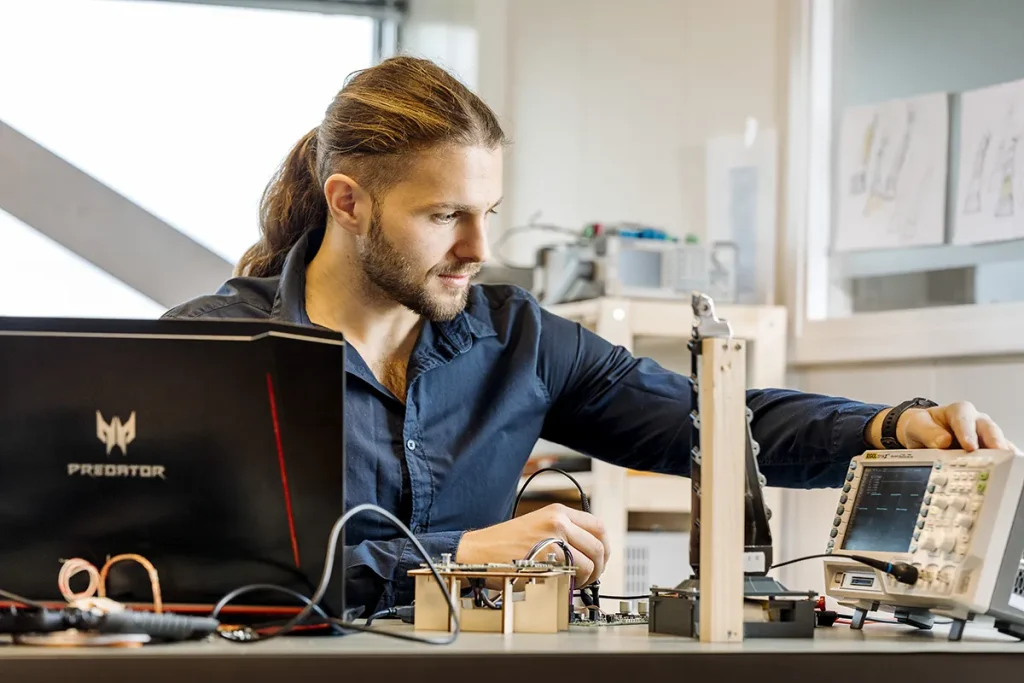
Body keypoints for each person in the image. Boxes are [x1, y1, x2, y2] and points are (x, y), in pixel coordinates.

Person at [164, 56, 1014, 614]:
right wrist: (456, 556)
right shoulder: (209, 351)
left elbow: (717, 424)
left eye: (487, 212)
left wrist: (890, 427)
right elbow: (184, 566)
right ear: (348, 202)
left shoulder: (519, 341)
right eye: (444, 216)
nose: (479, 248)